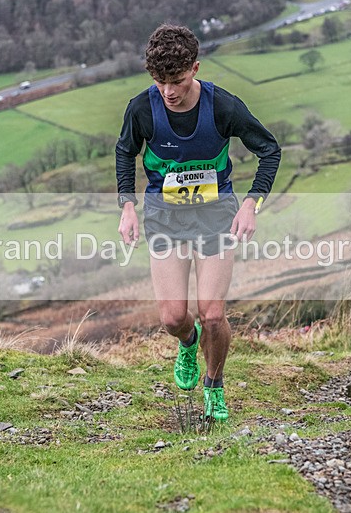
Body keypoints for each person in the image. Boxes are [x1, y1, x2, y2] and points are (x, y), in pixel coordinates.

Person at [115, 24, 281, 421]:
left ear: (195, 68)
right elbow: (125, 152)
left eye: (176, 80)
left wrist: (251, 205)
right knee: (174, 318)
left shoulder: (223, 106)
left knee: (212, 313)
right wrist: (127, 206)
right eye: (159, 82)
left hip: (215, 217)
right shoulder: (142, 108)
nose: (168, 91)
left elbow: (269, 151)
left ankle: (214, 384)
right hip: (164, 218)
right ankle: (188, 344)